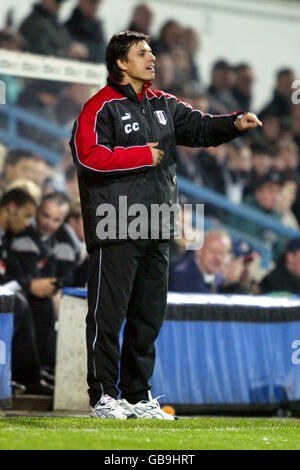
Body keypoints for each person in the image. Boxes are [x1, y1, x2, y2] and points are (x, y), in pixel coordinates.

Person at [69, 30, 262, 420]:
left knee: (147, 315)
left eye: (152, 51)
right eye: (142, 53)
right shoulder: (99, 107)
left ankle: (137, 397)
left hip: (158, 226)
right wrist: (142, 154)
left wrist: (234, 124)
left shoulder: (164, 104)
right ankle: (104, 397)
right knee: (107, 315)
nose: (152, 57)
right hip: (116, 223)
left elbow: (201, 127)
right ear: (121, 63)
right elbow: (87, 156)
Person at [7, 192, 70, 373]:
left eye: (56, 220)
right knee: (39, 306)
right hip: (15, 290)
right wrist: (33, 285)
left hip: (23, 289)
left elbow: (53, 275)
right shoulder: (24, 236)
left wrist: (53, 287)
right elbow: (26, 276)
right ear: (37, 211)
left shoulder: (50, 240)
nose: (49, 223)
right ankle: (28, 372)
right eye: (45, 215)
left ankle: (40, 368)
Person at [0, 188, 53, 394]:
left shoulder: (7, 237)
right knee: (18, 303)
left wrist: (29, 284)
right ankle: (23, 376)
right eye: (26, 216)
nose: (28, 223)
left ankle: (34, 372)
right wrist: (27, 285)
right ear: (11, 207)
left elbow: (11, 272)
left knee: (41, 303)